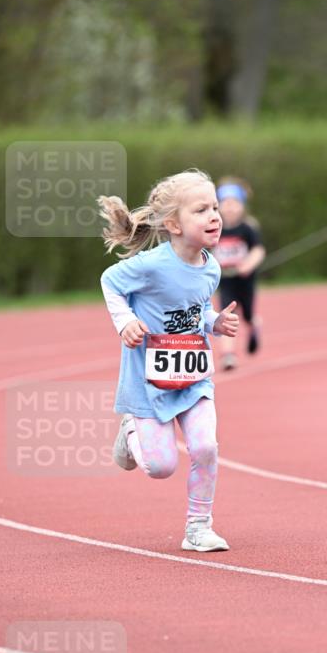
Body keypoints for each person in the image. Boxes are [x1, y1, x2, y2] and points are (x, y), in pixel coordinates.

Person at [99, 168, 239, 553]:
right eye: (201, 210)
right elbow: (110, 281)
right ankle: (131, 428)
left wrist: (214, 322)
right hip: (148, 381)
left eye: (214, 207)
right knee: (160, 467)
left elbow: (192, 312)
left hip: (194, 380)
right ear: (174, 224)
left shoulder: (211, 266)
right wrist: (126, 321)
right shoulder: (151, 265)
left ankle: (198, 527)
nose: (214, 216)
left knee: (206, 447)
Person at [212, 177, 266, 371]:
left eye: (235, 204)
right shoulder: (214, 228)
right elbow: (207, 252)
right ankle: (228, 355)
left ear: (242, 206)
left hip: (246, 280)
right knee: (226, 315)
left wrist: (248, 264)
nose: (230, 208)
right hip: (226, 281)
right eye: (225, 204)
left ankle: (254, 326)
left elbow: (258, 250)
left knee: (248, 315)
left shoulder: (248, 228)